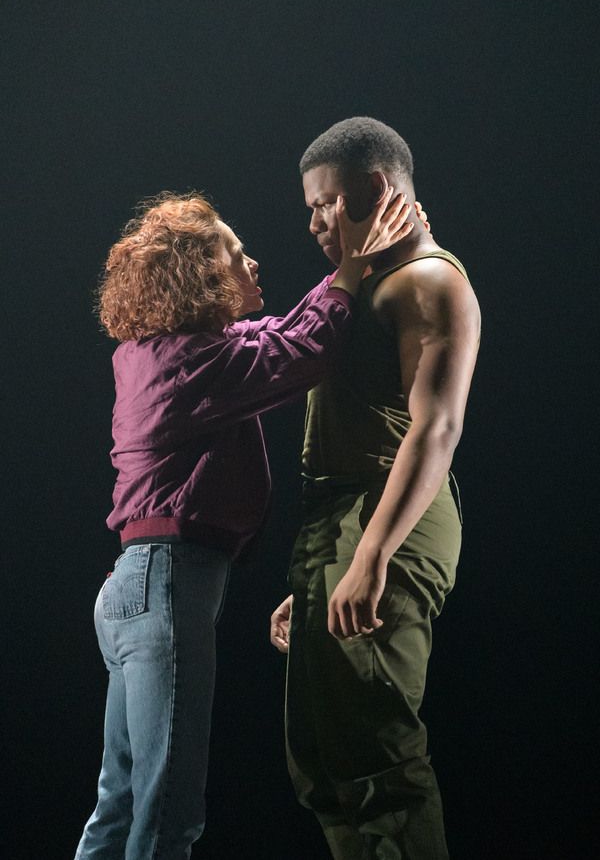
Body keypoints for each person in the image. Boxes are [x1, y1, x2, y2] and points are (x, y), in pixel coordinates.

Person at [74, 188, 415, 860]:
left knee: (119, 803)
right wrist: (349, 269)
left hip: (138, 587)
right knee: (168, 811)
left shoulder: (170, 352)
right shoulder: (187, 365)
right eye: (235, 253)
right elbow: (302, 351)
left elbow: (275, 335)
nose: (253, 262)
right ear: (198, 274)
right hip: (164, 583)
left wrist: (352, 270)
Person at [270, 117, 481, 860]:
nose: (314, 221)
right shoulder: (364, 286)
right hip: (343, 520)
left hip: (386, 515)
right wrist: (326, 565)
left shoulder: (428, 280)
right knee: (323, 763)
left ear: (374, 189)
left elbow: (435, 429)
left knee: (376, 758)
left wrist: (372, 552)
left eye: (325, 202)